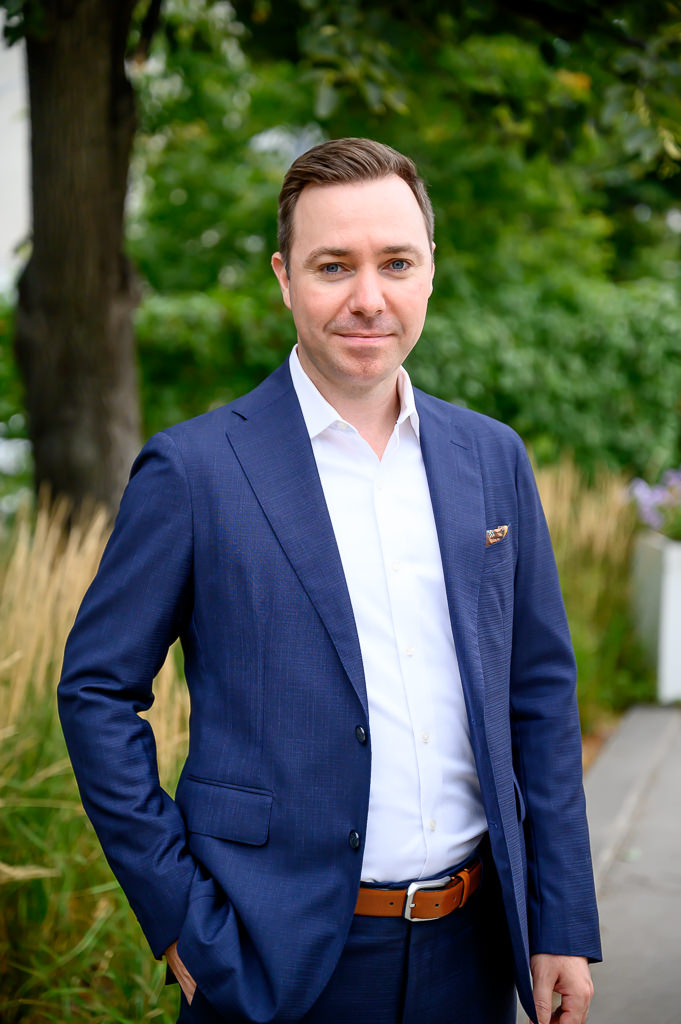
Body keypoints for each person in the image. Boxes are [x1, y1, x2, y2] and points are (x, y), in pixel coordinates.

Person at [58, 138, 601, 1024]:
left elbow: (538, 695)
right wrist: (183, 926)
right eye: (332, 266)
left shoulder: (490, 458)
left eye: (396, 263)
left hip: (475, 953)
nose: (367, 297)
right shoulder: (195, 470)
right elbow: (96, 692)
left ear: (430, 270)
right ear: (284, 278)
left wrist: (561, 922)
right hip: (271, 957)